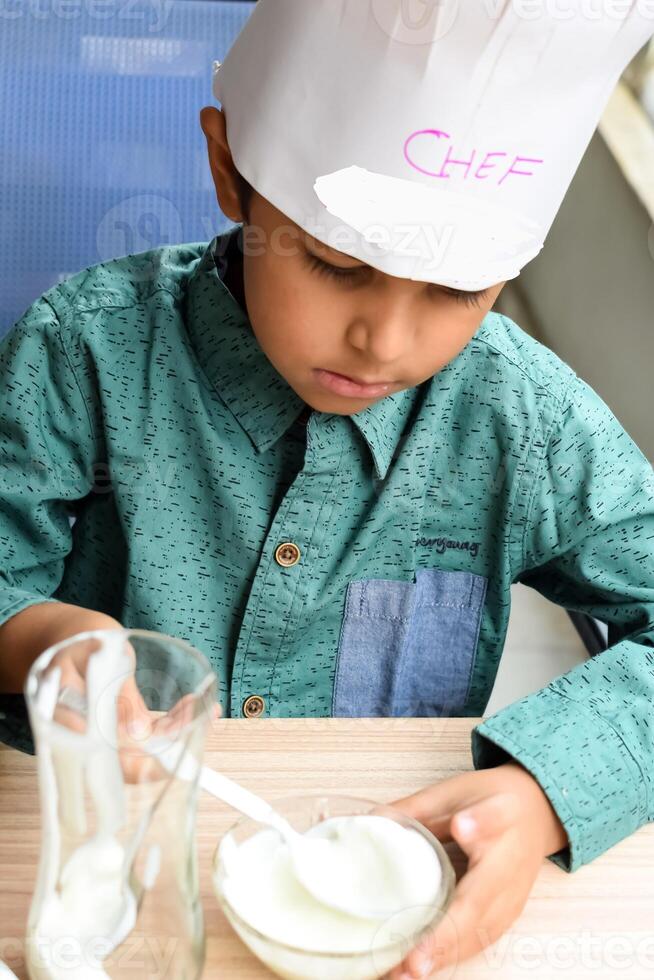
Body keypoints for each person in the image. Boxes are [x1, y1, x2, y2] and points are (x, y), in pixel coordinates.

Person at [1, 2, 654, 976]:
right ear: (230, 170)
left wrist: (546, 789)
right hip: (116, 889)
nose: (386, 340)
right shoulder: (81, 353)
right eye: (336, 265)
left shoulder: (523, 419)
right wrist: (55, 643)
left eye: (456, 290)